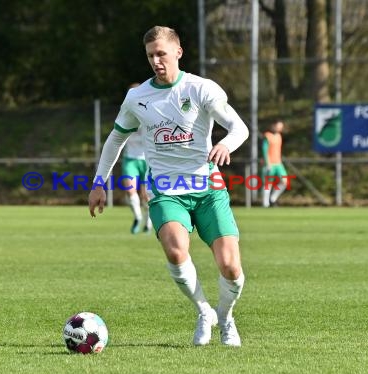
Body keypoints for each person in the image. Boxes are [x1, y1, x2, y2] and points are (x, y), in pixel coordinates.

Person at [88, 26, 249, 346]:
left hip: (208, 188)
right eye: (150, 56)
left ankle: (226, 317)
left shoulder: (201, 89)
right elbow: (116, 138)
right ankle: (204, 311)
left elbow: (238, 127)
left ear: (178, 52)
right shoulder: (137, 98)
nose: (156, 61)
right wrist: (98, 182)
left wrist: (227, 144)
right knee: (176, 251)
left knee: (230, 266)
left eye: (161, 53)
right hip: (164, 190)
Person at [121, 83, 152, 234]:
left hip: (146, 160)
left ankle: (148, 222)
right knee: (130, 190)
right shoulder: (125, 113)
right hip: (130, 159)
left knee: (146, 195)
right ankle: (138, 217)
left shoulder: (150, 113)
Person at [261, 120, 288, 207]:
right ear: (273, 125)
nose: (279, 128)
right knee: (268, 183)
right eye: (278, 126)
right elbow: (264, 150)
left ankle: (273, 199)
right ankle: (265, 204)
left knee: (284, 181)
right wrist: (267, 163)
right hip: (270, 163)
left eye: (281, 127)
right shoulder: (267, 136)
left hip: (278, 163)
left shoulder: (279, 136)